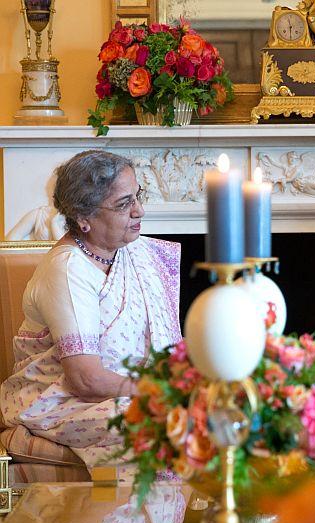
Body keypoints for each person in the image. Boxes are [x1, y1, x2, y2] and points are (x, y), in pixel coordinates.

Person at [0, 150, 182, 468]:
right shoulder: (68, 269)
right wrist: (158, 391)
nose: (139, 211)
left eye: (137, 196)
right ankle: (125, 513)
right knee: (159, 420)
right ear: (83, 218)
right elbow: (85, 380)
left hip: (123, 390)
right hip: (59, 398)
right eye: (123, 204)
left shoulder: (134, 254)